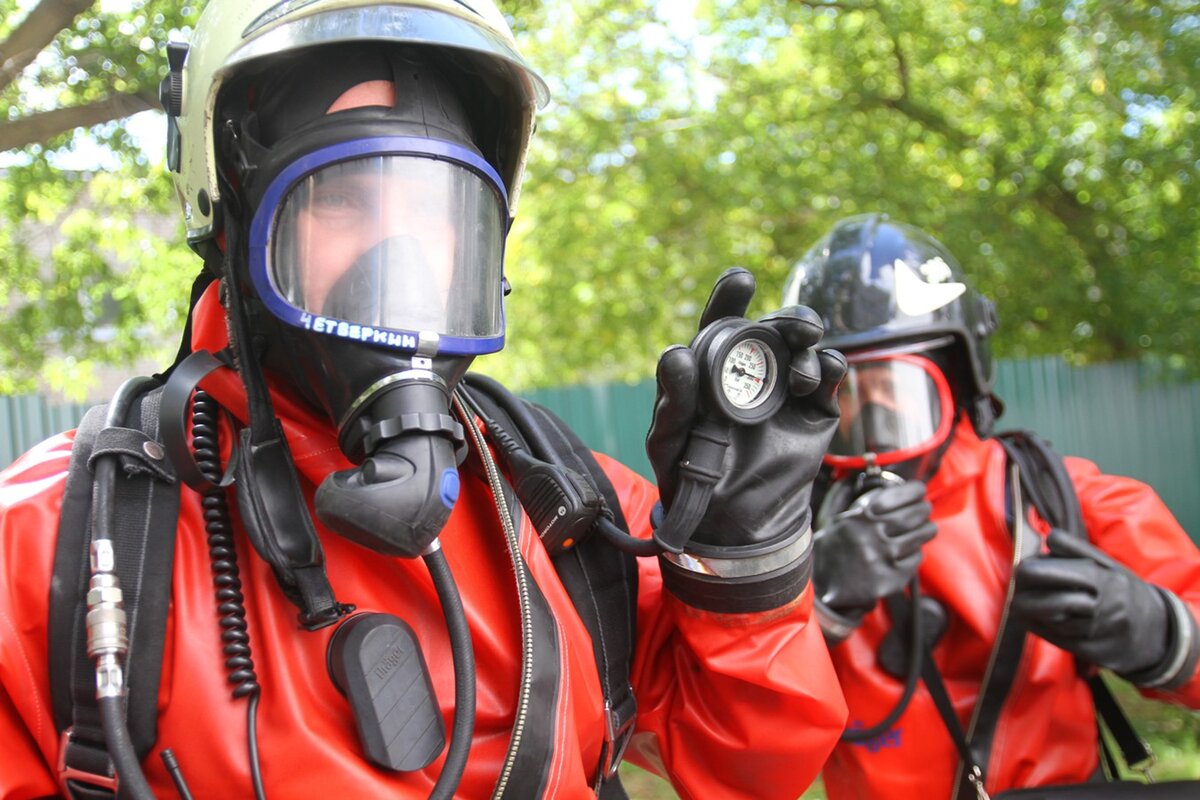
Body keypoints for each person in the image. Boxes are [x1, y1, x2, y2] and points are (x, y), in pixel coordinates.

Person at [0, 1, 850, 799]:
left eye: (437, 206)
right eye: (341, 198)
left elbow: (750, 760)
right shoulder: (47, 548)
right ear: (233, 219)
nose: (398, 256)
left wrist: (747, 560)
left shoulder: (569, 508)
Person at [783, 213, 1200, 799]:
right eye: (843, 388)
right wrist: (814, 606)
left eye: (898, 382)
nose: (873, 410)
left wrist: (1163, 633)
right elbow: (735, 740)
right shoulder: (787, 535)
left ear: (958, 376)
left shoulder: (1063, 498)